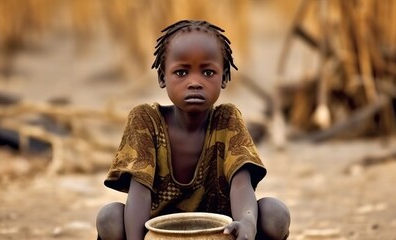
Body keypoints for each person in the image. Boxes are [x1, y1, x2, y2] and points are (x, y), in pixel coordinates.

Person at [96, 20, 290, 240]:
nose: (195, 82)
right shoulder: (145, 121)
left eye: (208, 73)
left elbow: (241, 184)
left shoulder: (226, 120)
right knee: (109, 217)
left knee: (275, 214)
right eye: (181, 73)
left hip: (217, 232)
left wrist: (246, 222)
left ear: (225, 77)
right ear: (162, 77)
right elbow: (139, 192)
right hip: (160, 233)